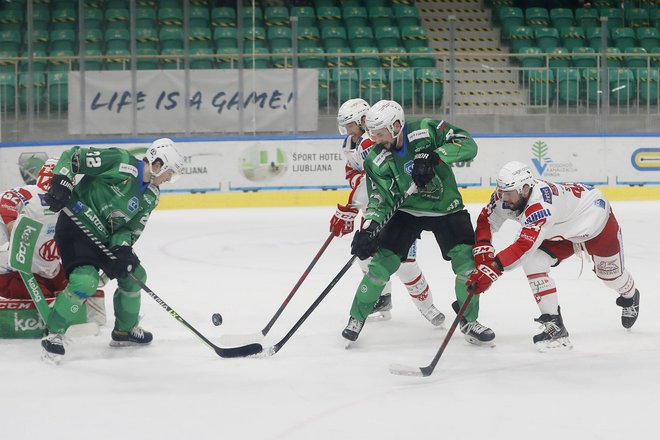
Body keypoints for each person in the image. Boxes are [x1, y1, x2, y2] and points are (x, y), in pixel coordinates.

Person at [342, 99, 495, 345]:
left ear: (396, 125)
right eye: (373, 134)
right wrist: (369, 228)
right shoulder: (375, 159)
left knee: (467, 263)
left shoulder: (425, 129)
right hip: (407, 211)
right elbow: (379, 199)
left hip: (446, 208)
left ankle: (469, 321)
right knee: (380, 266)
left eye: (380, 134)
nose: (377, 140)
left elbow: (468, 144)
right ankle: (356, 318)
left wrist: (435, 156)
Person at [466, 161, 640, 351]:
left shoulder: (541, 207)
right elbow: (486, 219)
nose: (504, 198)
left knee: (611, 277)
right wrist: (483, 249)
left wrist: (491, 269)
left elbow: (523, 247)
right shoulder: (506, 195)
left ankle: (630, 295)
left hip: (595, 225)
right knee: (533, 261)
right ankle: (555, 325)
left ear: (525, 189)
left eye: (509, 193)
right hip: (558, 230)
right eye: (501, 192)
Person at [40, 138, 184, 363]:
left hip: (105, 239)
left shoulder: (151, 195)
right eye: (170, 173)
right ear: (157, 164)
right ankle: (54, 333)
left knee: (135, 277)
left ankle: (124, 331)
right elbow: (74, 157)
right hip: (75, 226)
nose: (169, 179)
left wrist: (122, 249)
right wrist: (61, 182)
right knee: (84, 282)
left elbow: (130, 227)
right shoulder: (120, 161)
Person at [330, 98, 444, 325]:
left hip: (399, 209)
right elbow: (357, 176)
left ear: (363, 121)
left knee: (406, 264)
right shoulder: (352, 145)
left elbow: (376, 179)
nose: (348, 131)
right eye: (345, 127)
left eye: (351, 125)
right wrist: (356, 202)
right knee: (365, 256)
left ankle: (428, 307)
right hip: (375, 208)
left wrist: (350, 208)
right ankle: (382, 299)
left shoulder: (374, 142)